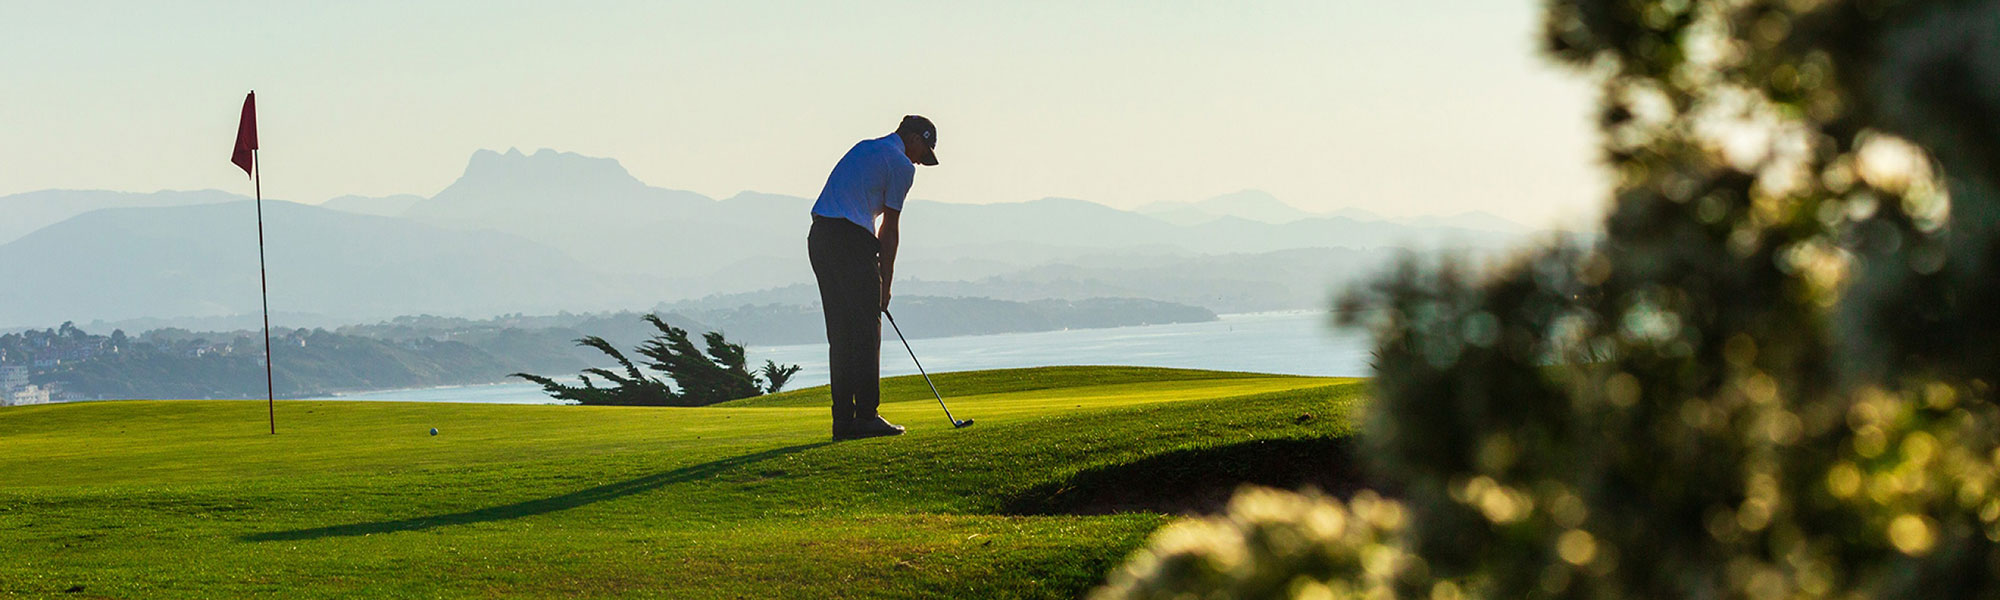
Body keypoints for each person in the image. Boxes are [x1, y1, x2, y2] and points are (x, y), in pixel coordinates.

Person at [809, 115, 939, 440]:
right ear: (913, 138)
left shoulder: (865, 148)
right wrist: (886, 284)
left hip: (820, 237)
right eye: (922, 153)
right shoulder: (901, 164)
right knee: (867, 330)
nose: (918, 162)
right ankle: (866, 416)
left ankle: (843, 421)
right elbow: (889, 229)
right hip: (851, 240)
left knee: (841, 334)